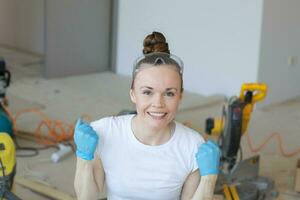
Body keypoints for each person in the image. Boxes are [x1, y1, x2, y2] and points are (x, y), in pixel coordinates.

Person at [74, 31, 220, 200]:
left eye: (169, 93)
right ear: (133, 94)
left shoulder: (192, 146)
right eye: (147, 92)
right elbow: (86, 198)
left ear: (180, 96)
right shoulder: (105, 132)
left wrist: (209, 179)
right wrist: (83, 157)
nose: (158, 103)